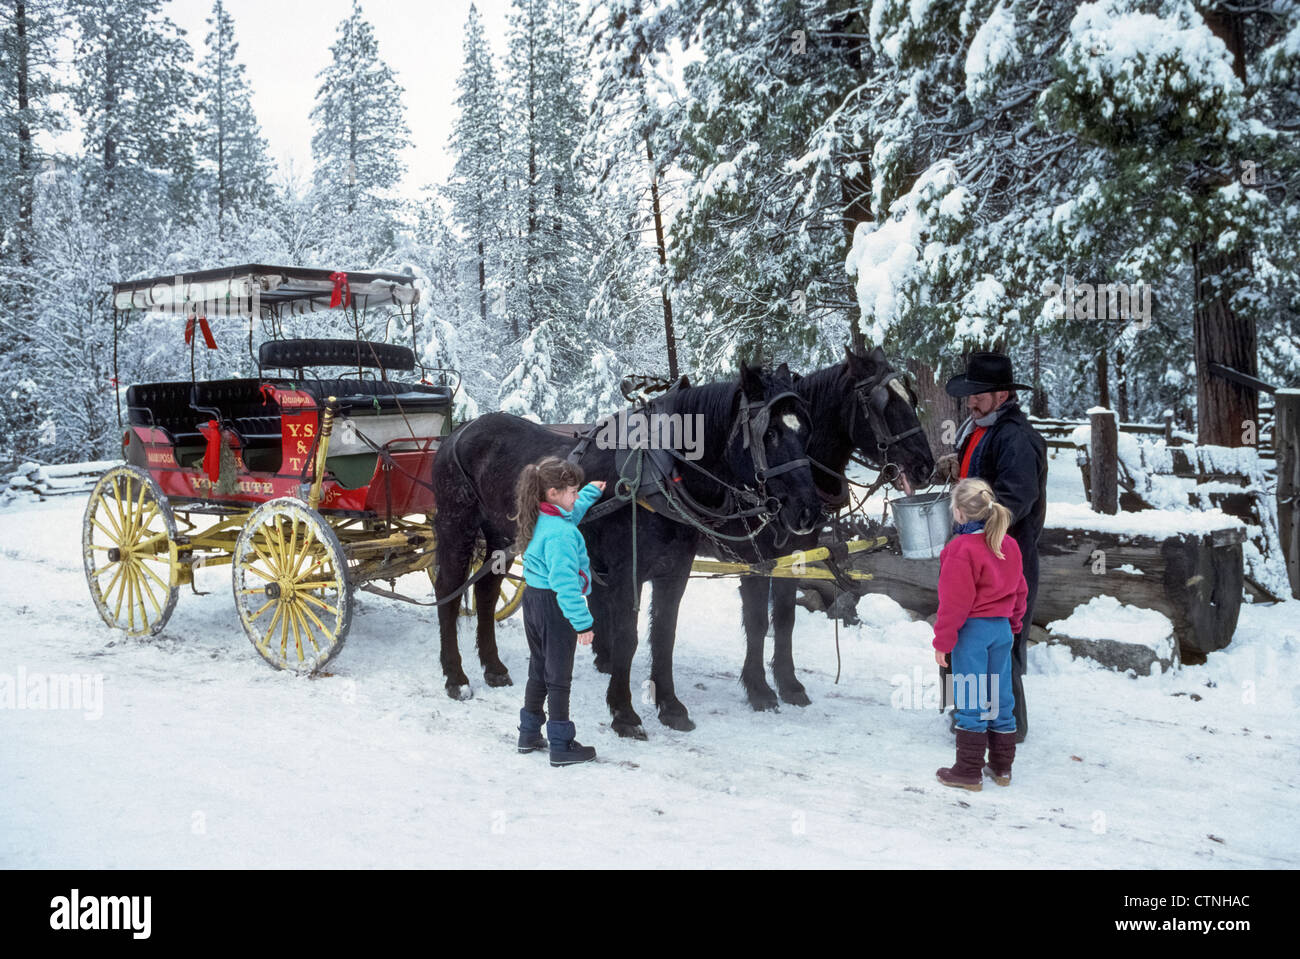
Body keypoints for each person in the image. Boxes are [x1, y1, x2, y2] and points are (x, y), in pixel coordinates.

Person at [932, 351, 1046, 743]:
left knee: (1000, 641)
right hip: (970, 557)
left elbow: (1017, 497)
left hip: (1001, 562)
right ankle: (959, 711)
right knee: (956, 628)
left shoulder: (1016, 438)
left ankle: (1009, 729)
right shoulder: (980, 429)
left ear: (1003, 395)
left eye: (980, 394)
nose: (971, 400)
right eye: (970, 394)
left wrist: (976, 531)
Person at [931, 478, 1027, 791]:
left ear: (958, 513)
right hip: (1000, 630)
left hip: (971, 632)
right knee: (1000, 696)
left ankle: (968, 770)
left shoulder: (959, 549)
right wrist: (1012, 625)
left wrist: (943, 643)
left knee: (970, 696)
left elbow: (954, 604)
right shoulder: (1007, 544)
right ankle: (1002, 767)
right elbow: (1020, 590)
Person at [510, 456, 606, 767]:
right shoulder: (561, 536)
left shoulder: (540, 516)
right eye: (573, 491)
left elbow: (570, 513)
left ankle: (528, 733)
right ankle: (561, 744)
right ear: (553, 492)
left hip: (534, 601)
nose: (576, 497)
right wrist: (583, 623)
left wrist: (589, 493)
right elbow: (566, 586)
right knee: (559, 676)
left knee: (539, 668)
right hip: (555, 606)